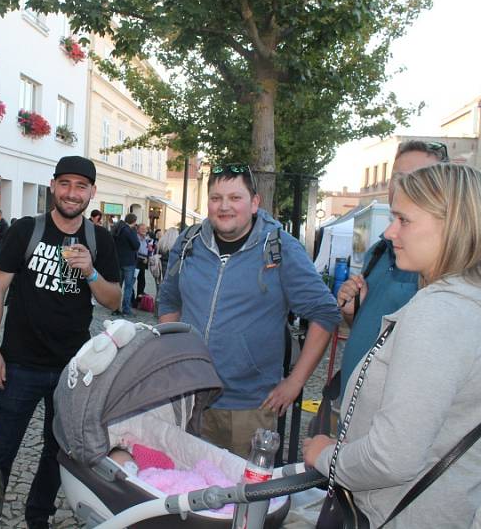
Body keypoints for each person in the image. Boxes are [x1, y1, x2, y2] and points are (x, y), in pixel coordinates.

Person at [304, 163, 481, 528]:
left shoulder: (442, 311)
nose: (390, 232)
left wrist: (326, 455)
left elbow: (391, 457)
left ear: (452, 223)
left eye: (404, 220)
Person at [157, 164, 340, 457]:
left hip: (249, 409)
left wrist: (295, 382)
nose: (224, 206)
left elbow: (325, 313)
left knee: (242, 498)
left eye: (235, 198)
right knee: (185, 492)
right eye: (216, 198)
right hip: (189, 400)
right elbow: (168, 301)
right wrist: (175, 357)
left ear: (255, 203)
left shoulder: (281, 248)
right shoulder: (190, 242)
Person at [0, 156, 121, 529]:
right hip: (20, 364)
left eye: (81, 186)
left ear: (92, 192)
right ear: (53, 186)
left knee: (59, 449)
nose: (72, 193)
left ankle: (38, 514)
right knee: (0, 449)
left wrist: (90, 271)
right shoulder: (27, 230)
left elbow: (114, 300)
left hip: (72, 368)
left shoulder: (99, 239)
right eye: (65, 184)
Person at [336, 140, 449, 390]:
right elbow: (376, 333)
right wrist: (353, 314)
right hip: (355, 407)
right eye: (397, 177)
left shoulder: (442, 270)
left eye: (418, 178)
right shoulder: (379, 250)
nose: (403, 186)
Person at [112, 212, 140, 315]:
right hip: (129, 262)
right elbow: (136, 245)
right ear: (133, 221)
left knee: (117, 286)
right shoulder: (129, 230)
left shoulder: (117, 229)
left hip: (118, 261)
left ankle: (115, 308)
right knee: (128, 287)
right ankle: (126, 308)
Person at [135, 223, 151, 303]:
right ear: (138, 230)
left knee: (142, 281)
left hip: (143, 261)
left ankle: (139, 298)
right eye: (142, 229)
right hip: (137, 260)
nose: (144, 230)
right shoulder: (136, 237)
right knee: (132, 280)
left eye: (145, 229)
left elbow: (149, 250)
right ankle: (131, 299)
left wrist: (148, 257)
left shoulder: (147, 239)